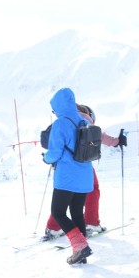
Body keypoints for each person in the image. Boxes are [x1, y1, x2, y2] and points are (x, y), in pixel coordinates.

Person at [42, 104, 124, 239]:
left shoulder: (64, 118)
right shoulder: (84, 120)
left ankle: (53, 228)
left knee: (65, 197)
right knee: (92, 189)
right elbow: (101, 137)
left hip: (62, 168)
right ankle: (91, 223)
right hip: (82, 166)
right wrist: (117, 141)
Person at [42, 87, 94, 264]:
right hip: (85, 174)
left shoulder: (61, 123)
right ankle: (81, 252)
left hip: (67, 177)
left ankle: (80, 247)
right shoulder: (83, 119)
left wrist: (46, 159)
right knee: (77, 212)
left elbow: (55, 152)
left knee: (58, 212)